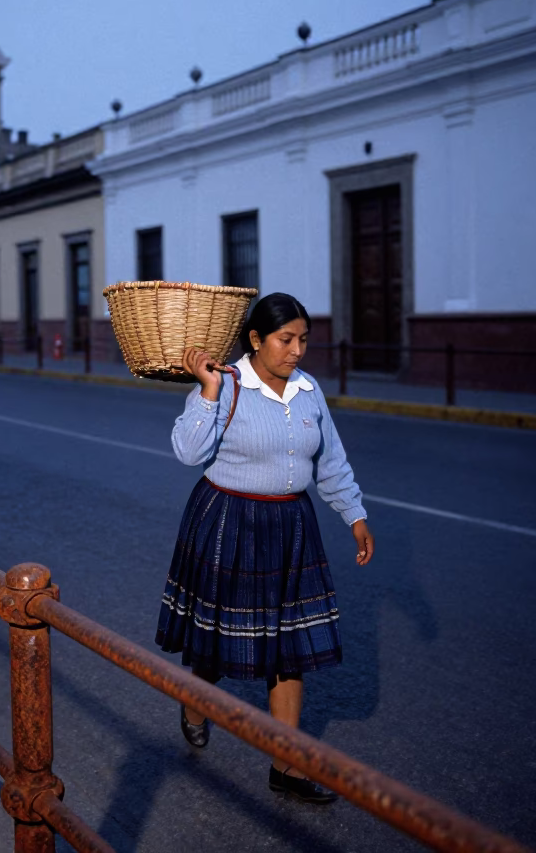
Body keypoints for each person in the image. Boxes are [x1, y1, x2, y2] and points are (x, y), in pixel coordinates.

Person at [156, 293, 374, 803]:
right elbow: (188, 452)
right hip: (230, 520)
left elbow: (331, 460)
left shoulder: (308, 389)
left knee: (289, 646)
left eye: (303, 340)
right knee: (216, 642)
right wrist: (206, 390)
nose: (297, 350)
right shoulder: (227, 384)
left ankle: (287, 767)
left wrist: (355, 514)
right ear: (256, 341)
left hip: (292, 524)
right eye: (286, 340)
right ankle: (195, 704)